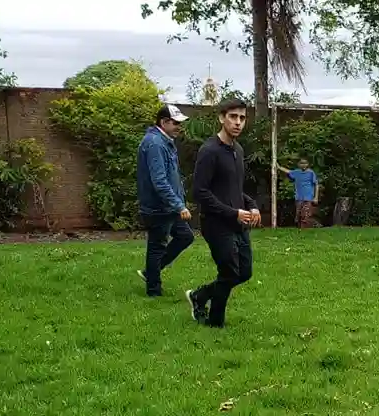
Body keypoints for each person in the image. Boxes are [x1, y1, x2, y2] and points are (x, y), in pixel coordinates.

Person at [185, 98, 260, 328]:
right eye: (233, 117)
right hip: (216, 223)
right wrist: (232, 212)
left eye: (242, 118)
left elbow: (234, 188)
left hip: (237, 221)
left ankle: (199, 295)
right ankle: (215, 323)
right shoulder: (209, 151)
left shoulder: (238, 150)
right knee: (229, 272)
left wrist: (252, 205)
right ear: (221, 118)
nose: (238, 122)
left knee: (244, 272)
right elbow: (200, 192)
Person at [136, 103, 194, 297]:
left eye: (180, 123)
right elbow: (159, 181)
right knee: (157, 246)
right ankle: (153, 291)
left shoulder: (164, 141)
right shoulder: (155, 144)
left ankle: (150, 273)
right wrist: (179, 205)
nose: (179, 127)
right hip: (158, 207)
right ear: (163, 122)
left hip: (169, 206)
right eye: (175, 123)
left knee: (185, 237)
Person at [277, 158, 320, 228]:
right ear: (299, 164)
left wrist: (316, 197)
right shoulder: (296, 172)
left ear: (307, 164)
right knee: (298, 214)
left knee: (305, 214)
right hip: (299, 197)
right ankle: (299, 226)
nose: (303, 165)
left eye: (305, 163)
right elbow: (288, 171)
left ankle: (303, 228)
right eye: (301, 163)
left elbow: (316, 184)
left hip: (308, 197)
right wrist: (279, 167)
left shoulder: (311, 173)